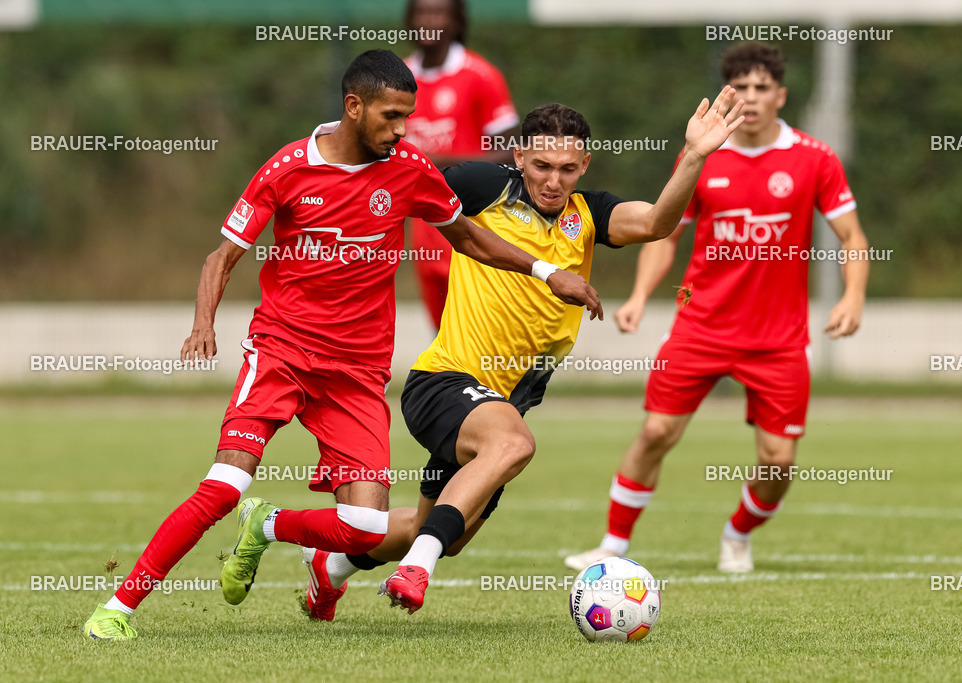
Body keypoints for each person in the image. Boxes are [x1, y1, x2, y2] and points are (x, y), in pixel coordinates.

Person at [81, 49, 600, 640]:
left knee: (360, 528)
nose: (403, 129)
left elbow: (469, 239)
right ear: (354, 107)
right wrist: (204, 323)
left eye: (408, 116)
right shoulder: (287, 169)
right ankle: (119, 608)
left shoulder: (409, 168)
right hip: (281, 352)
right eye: (391, 116)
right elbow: (222, 256)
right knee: (224, 486)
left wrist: (544, 271)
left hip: (356, 372)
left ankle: (268, 526)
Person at [295, 86, 745, 617]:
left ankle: (332, 566)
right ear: (518, 156)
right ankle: (417, 569)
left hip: (499, 403)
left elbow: (655, 224)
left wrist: (694, 156)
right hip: (444, 381)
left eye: (567, 168)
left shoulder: (590, 214)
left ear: (584, 165)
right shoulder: (483, 186)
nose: (553, 180)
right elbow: (402, 172)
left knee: (438, 527)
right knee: (514, 446)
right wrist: (334, 149)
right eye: (541, 165)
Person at [564, 42, 870, 574]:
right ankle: (612, 546)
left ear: (780, 95)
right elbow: (664, 236)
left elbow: (852, 238)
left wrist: (853, 294)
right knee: (656, 433)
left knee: (779, 461)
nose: (751, 97)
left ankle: (738, 533)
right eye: (741, 87)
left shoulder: (814, 159)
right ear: (729, 94)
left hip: (778, 337)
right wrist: (639, 295)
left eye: (761, 87)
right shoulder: (703, 157)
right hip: (700, 325)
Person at [403, 0, 520, 329]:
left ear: (456, 22)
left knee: (479, 335)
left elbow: (513, 154)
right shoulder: (397, 79)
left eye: (438, 12)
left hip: (471, 227)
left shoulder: (480, 75)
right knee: (442, 337)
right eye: (421, 12)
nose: (429, 20)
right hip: (422, 234)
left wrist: (439, 165)